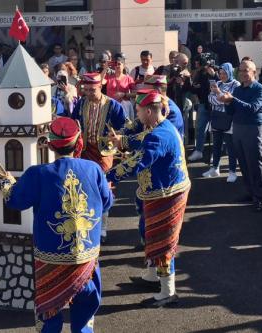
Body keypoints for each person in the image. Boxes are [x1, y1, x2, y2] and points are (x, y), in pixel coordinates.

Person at [0, 117, 112, 333]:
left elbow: (14, 200)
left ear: (49, 145)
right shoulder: (93, 169)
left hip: (51, 255)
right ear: (79, 143)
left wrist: (7, 182)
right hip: (85, 253)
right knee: (85, 307)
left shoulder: (37, 173)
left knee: (49, 310)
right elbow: (107, 202)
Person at [107, 90, 190, 307]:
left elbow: (137, 162)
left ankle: (168, 291)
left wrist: (107, 176)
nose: (137, 114)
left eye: (139, 110)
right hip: (157, 191)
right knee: (149, 233)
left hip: (167, 194)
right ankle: (153, 277)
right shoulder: (158, 127)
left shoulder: (159, 134)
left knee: (163, 243)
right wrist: (122, 141)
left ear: (150, 111)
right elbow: (140, 140)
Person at [72, 72, 127, 242]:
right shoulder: (81, 103)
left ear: (100, 87)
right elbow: (73, 123)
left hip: (104, 153)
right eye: (86, 90)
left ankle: (102, 229)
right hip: (85, 151)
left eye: (92, 90)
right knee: (84, 188)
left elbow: (125, 128)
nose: (88, 93)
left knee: (103, 188)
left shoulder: (114, 106)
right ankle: (85, 225)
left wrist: (116, 136)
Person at [219, 60, 262, 211]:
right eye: (240, 71)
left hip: (253, 129)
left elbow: (252, 108)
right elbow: (231, 112)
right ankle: (250, 192)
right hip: (238, 128)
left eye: (246, 70)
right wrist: (227, 103)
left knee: (254, 163)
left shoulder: (260, 89)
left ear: (254, 72)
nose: (243, 73)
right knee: (243, 163)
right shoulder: (239, 90)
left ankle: (259, 196)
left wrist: (232, 99)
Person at [205, 63, 240, 182]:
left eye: (225, 73)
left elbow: (230, 100)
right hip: (217, 117)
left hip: (229, 119)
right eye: (220, 73)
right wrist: (221, 98)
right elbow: (210, 98)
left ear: (230, 72)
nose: (222, 76)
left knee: (230, 147)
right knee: (216, 145)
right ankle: (215, 168)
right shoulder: (217, 83)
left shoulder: (236, 84)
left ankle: (232, 172)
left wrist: (219, 94)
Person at [188, 56, 219, 162]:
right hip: (203, 104)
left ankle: (216, 153)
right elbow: (194, 89)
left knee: (215, 130)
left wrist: (214, 75)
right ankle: (198, 151)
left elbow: (222, 84)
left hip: (215, 105)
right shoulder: (200, 73)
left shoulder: (217, 72)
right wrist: (190, 84)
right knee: (200, 128)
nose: (205, 67)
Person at [104, 53, 135, 119]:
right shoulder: (108, 77)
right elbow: (99, 83)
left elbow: (135, 94)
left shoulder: (128, 78)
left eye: (119, 64)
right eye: (115, 64)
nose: (117, 66)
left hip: (124, 107)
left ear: (123, 65)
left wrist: (124, 94)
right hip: (110, 106)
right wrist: (105, 68)